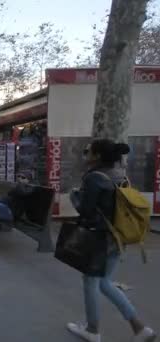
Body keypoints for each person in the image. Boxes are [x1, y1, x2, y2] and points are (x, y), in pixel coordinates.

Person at [66, 139, 155, 342]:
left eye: (88, 151)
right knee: (104, 282)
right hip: (118, 236)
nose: (85, 154)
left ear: (97, 155)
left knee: (90, 281)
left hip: (99, 238)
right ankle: (140, 329)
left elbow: (87, 211)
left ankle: (92, 330)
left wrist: (74, 197)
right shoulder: (119, 175)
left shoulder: (93, 178)